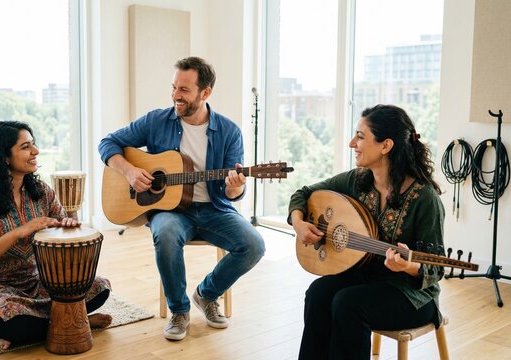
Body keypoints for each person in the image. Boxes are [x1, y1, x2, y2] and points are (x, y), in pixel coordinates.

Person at [98, 56, 265, 341]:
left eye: (184, 90)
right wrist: (128, 171)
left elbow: (231, 192)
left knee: (254, 245)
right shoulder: (156, 120)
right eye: (174, 87)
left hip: (214, 208)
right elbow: (107, 142)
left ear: (206, 93)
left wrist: (236, 187)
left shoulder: (229, 132)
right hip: (171, 210)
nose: (176, 95)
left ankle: (207, 294)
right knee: (165, 233)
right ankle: (179, 310)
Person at [0, 121, 112, 350]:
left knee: (100, 287)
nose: (35, 152)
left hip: (37, 282)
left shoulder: (41, 192)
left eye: (34, 145)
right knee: (10, 318)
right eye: (26, 147)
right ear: (4, 157)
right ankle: (74, 321)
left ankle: (51, 324)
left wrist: (67, 225)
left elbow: (58, 227)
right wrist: (19, 232)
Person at [288, 104, 445, 359]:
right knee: (318, 293)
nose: (352, 143)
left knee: (348, 304)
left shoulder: (425, 199)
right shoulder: (357, 181)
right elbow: (303, 193)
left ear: (386, 146)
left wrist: (407, 266)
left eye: (360, 137)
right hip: (366, 277)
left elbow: (436, 268)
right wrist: (298, 222)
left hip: (412, 296)